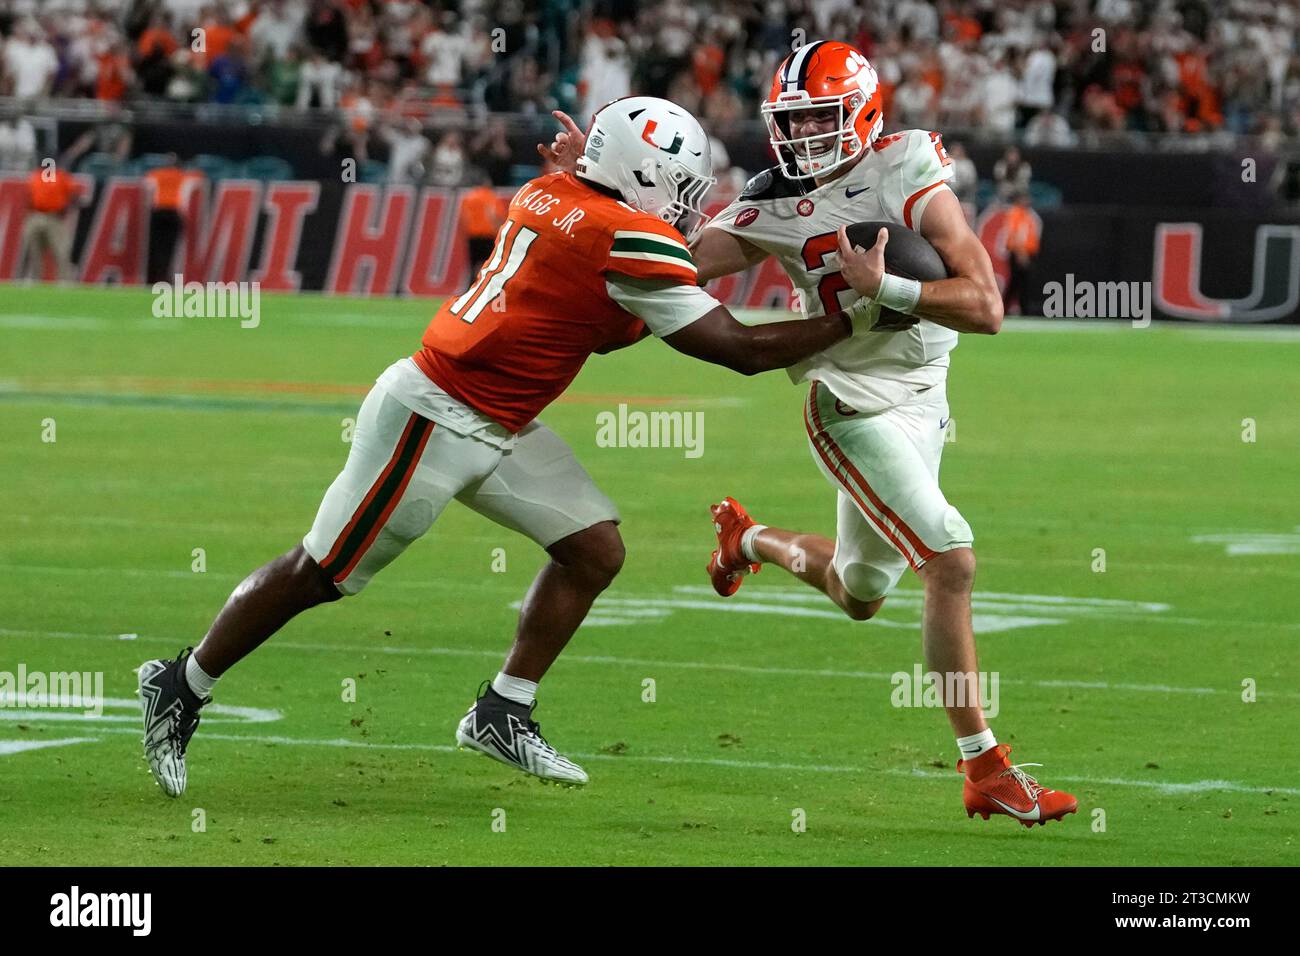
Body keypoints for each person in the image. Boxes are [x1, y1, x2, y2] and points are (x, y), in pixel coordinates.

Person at [137, 95, 883, 797]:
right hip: (436, 415)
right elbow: (740, 351)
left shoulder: (548, 194)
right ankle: (181, 683)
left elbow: (608, 323)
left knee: (594, 549)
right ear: (643, 172)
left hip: (499, 418)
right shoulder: (619, 231)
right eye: (680, 183)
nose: (690, 202)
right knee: (320, 572)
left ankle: (502, 711)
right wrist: (855, 320)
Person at [541, 40, 1078, 828]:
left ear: (862, 110)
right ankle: (985, 767)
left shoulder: (906, 167)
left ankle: (747, 541)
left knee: (861, 593)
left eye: (822, 117)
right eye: (792, 122)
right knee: (951, 559)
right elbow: (669, 266)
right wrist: (583, 184)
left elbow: (986, 306)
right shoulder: (766, 203)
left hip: (925, 396)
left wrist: (886, 285)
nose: (806, 138)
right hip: (847, 401)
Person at [22, 158, 86, 281]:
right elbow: (29, 196)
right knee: (37, 252)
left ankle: (63, 281)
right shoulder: (41, 176)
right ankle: (38, 280)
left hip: (50, 217)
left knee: (60, 252)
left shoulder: (55, 177)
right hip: (42, 216)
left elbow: (74, 194)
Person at [1001, 190, 1040, 315]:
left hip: (1026, 253)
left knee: (1020, 283)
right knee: (1018, 283)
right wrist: (1020, 253)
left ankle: (1017, 309)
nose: (1027, 201)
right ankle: (1016, 309)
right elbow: (1016, 235)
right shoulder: (1016, 214)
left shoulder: (1026, 214)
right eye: (1024, 198)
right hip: (1019, 253)